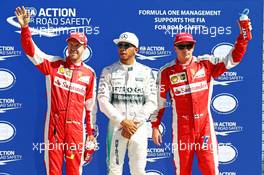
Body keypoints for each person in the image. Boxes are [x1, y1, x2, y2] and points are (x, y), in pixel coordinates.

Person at [151, 21, 252, 174]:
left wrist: (244, 36)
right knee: (182, 171)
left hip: (204, 128)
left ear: (194, 46)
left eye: (189, 46)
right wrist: (155, 126)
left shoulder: (206, 63)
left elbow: (233, 59)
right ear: (175, 48)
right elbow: (159, 102)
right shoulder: (166, 71)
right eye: (181, 46)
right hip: (182, 130)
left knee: (211, 170)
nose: (186, 50)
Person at [15, 6, 97, 175]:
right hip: (54, 129)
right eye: (71, 44)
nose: (73, 48)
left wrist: (90, 134)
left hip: (76, 131)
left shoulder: (89, 73)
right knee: (53, 171)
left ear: (85, 48)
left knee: (75, 171)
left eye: (77, 45)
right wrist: (25, 29)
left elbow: (90, 108)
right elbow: (31, 51)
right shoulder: (54, 64)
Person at [97, 32, 157, 175]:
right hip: (117, 128)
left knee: (138, 171)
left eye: (127, 46)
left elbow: (152, 101)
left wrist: (134, 123)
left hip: (139, 129)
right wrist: (123, 121)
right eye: (120, 45)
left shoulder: (146, 72)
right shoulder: (108, 71)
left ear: (136, 49)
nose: (122, 49)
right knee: (114, 170)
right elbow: (102, 100)